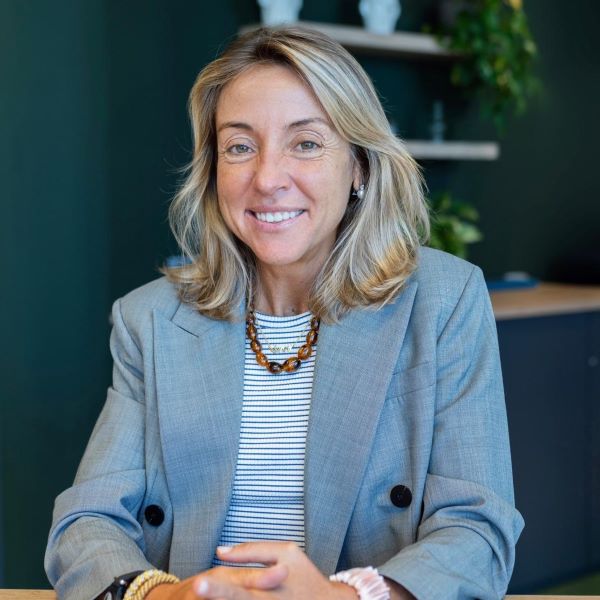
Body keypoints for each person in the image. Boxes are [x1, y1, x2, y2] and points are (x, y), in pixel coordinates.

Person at [45, 26, 524, 600]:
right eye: (239, 147)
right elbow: (86, 524)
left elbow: (478, 529)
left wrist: (341, 598)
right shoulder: (148, 321)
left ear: (359, 166)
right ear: (213, 171)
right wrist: (167, 596)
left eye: (306, 143)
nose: (268, 179)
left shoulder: (444, 301)